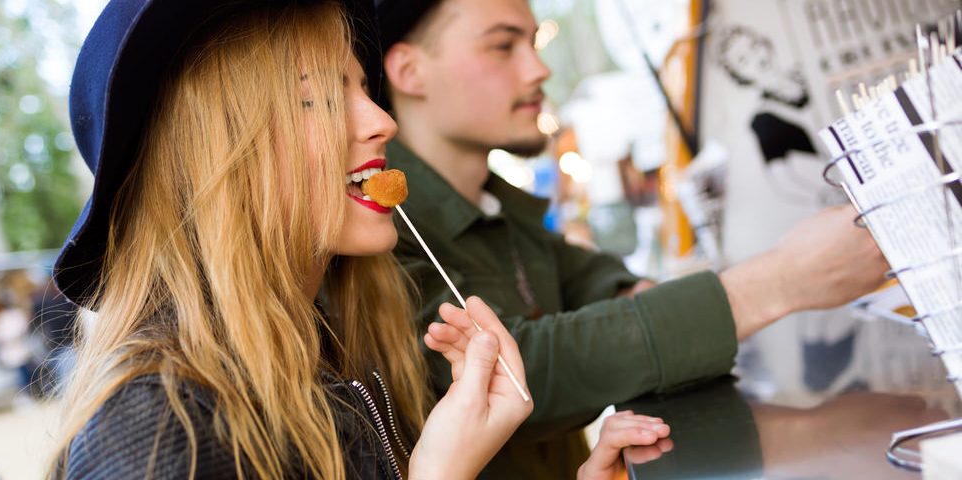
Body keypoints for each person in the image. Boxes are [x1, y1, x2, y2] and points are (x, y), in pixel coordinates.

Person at [47, 0, 666, 478]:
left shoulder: (340, 348)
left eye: (361, 88)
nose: (381, 121)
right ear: (216, 164)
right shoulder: (152, 428)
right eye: (315, 99)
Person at [375, 0, 890, 477]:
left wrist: (644, 307)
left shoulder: (500, 209)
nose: (539, 69)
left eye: (533, 43)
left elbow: (598, 280)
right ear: (408, 71)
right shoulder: (377, 228)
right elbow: (512, 372)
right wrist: (780, 281)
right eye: (503, 45)